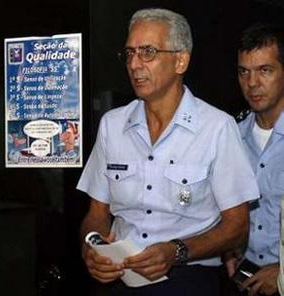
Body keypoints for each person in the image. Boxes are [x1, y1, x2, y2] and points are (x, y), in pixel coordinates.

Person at [77, 8, 259, 296]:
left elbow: (237, 226)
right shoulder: (112, 125)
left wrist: (177, 252)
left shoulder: (217, 128)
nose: (135, 64)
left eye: (147, 52)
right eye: (130, 53)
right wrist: (92, 245)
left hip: (188, 277)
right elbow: (96, 212)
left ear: (180, 60)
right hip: (120, 279)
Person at [223, 23, 284, 296]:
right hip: (243, 279)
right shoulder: (230, 135)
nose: (252, 83)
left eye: (265, 70)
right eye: (243, 72)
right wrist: (226, 248)